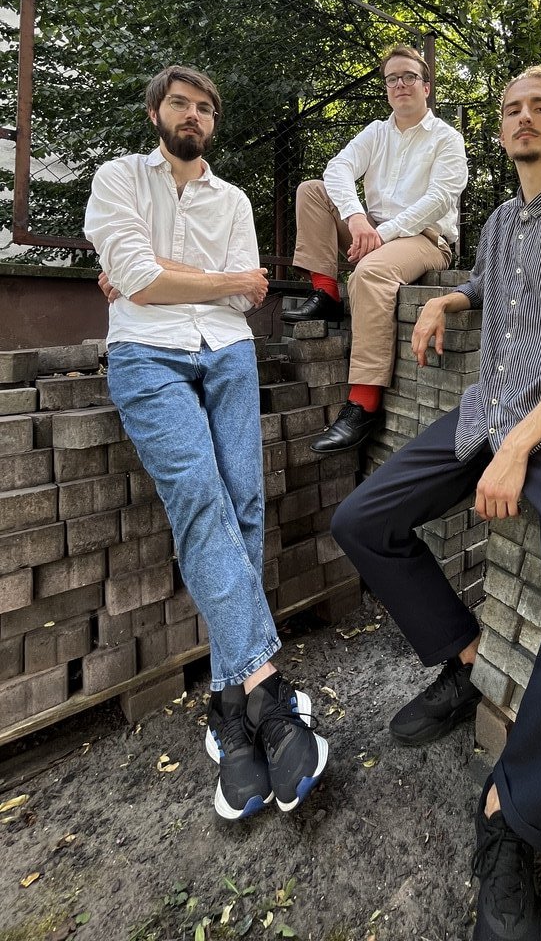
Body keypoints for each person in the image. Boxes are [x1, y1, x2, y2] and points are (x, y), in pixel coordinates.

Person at [332, 66, 541, 940]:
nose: (523, 117)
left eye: (540, 106)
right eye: (511, 109)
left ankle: (511, 813)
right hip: (490, 412)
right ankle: (466, 661)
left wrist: (518, 447)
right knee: (362, 521)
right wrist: (453, 293)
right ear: (500, 131)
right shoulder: (504, 222)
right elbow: (504, 286)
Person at [84, 65, 328, 822]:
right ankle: (267, 693)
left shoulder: (235, 200)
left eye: (204, 108)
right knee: (198, 496)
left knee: (243, 506)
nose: (193, 115)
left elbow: (244, 295)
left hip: (226, 353)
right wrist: (208, 279)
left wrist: (165, 276)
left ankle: (228, 709)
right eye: (180, 103)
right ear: (155, 112)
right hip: (146, 355)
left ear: (213, 122)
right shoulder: (118, 180)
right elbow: (141, 280)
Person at [286, 44, 468, 454]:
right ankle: (326, 294)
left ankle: (363, 404)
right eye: (392, 79)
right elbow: (338, 169)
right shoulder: (376, 132)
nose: (400, 84)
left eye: (409, 77)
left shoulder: (446, 138)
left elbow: (439, 199)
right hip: (371, 230)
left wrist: (382, 235)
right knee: (311, 191)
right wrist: (355, 218)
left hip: (425, 239)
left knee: (369, 274)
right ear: (387, 89)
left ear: (425, 86)